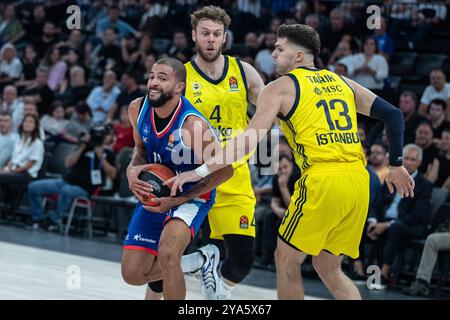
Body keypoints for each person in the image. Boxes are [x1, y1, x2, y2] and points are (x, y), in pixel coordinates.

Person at [169, 24, 415, 300]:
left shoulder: (281, 88)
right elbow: (393, 115)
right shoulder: (341, 81)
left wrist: (200, 171)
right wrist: (396, 164)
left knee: (286, 259)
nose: (273, 53)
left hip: (323, 179)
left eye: (279, 48)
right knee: (328, 266)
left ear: (298, 56)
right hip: (359, 181)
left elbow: (247, 142)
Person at [122, 57, 233, 300]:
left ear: (179, 87)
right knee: (132, 274)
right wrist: (132, 171)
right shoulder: (137, 109)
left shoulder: (192, 126)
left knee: (169, 255)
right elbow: (140, 150)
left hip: (192, 197)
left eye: (163, 78)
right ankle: (197, 261)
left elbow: (225, 170)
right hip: (156, 192)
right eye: (152, 76)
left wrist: (179, 199)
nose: (153, 82)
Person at [181, 5, 265, 300]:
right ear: (194, 35)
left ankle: (212, 280)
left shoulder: (244, 72)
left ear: (225, 37)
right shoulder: (182, 76)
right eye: (205, 33)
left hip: (235, 176)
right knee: (178, 257)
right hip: (195, 180)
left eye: (217, 34)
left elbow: (272, 112)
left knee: (241, 262)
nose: (211, 39)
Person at [365, 144, 432, 289]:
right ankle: (357, 268)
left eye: (412, 159)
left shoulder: (424, 185)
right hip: (384, 220)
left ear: (419, 162)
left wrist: (386, 225)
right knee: (360, 220)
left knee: (395, 228)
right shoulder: (392, 176)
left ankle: (383, 274)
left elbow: (417, 217)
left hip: (409, 225)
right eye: (406, 158)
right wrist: (374, 221)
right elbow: (377, 203)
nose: (408, 162)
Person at [27, 123, 117, 232]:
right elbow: (68, 164)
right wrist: (83, 145)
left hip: (85, 189)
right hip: (65, 181)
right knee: (33, 187)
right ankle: (38, 219)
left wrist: (101, 156)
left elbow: (113, 174)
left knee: (66, 191)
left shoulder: (110, 154)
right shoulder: (85, 147)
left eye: (106, 134)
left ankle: (55, 221)